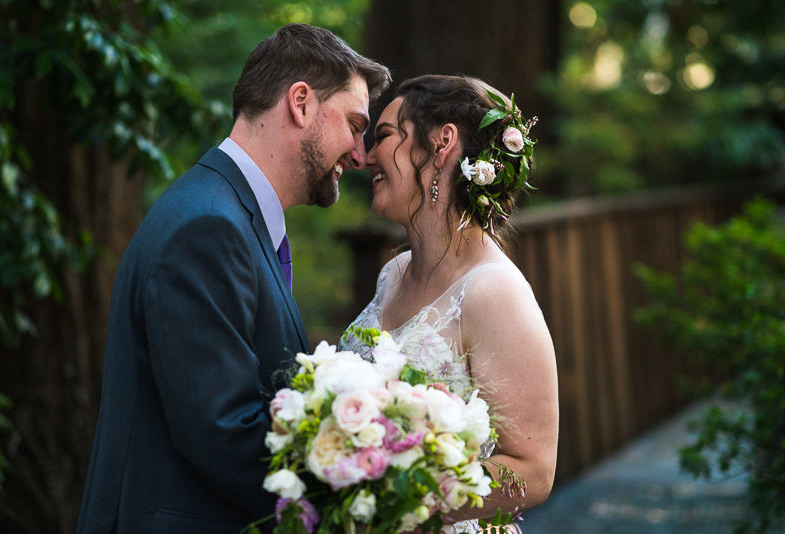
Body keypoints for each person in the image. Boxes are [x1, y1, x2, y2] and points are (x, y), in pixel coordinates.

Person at [76, 24, 390, 533]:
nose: (359, 153)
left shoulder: (230, 217)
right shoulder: (207, 228)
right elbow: (225, 434)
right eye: (354, 125)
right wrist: (366, 497)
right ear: (302, 103)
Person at [339, 75, 559, 533]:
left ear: (442, 145)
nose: (364, 156)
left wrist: (408, 499)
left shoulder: (493, 292)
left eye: (383, 136)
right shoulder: (393, 273)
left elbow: (533, 472)